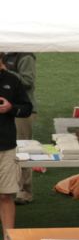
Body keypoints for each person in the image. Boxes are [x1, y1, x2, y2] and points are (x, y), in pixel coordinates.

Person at [0, 54, 33, 240]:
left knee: (5, 195)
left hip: (5, 146)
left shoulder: (12, 80)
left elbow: (27, 108)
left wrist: (10, 108)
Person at [3, 53, 36, 205]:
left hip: (20, 108)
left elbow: (28, 81)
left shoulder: (25, 56)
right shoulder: (9, 54)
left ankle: (24, 190)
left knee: (23, 148)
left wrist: (7, 72)